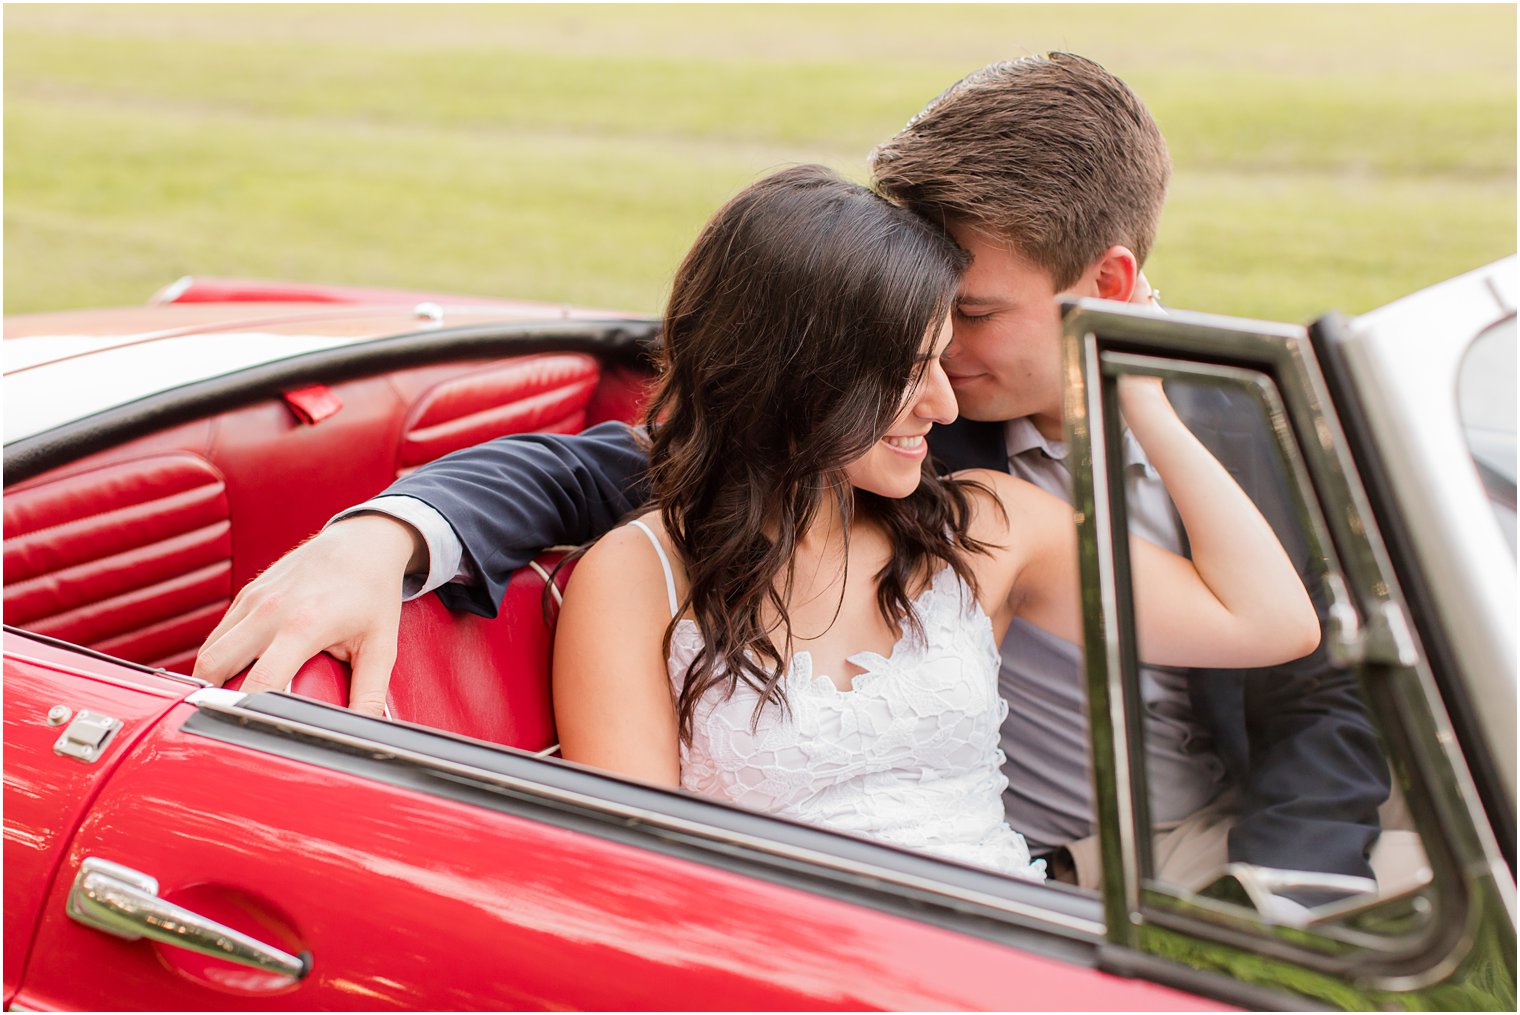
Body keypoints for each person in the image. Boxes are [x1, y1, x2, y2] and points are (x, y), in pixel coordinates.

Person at [195, 53, 1392, 898]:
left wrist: (1265, 905)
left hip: (1214, 835)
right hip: (985, 891)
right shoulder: (892, 453)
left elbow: (1313, 681)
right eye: (907, 345)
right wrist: (385, 534)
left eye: (962, 320)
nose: (941, 383)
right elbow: (596, 478)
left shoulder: (1254, 426)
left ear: (1109, 288)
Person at [551, 163, 1317, 879]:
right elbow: (636, 873)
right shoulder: (636, 576)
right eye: (907, 375)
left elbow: (1268, 622)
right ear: (794, 377)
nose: (945, 406)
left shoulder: (982, 527)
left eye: (943, 361)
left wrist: (1137, 390)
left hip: (1010, 934)